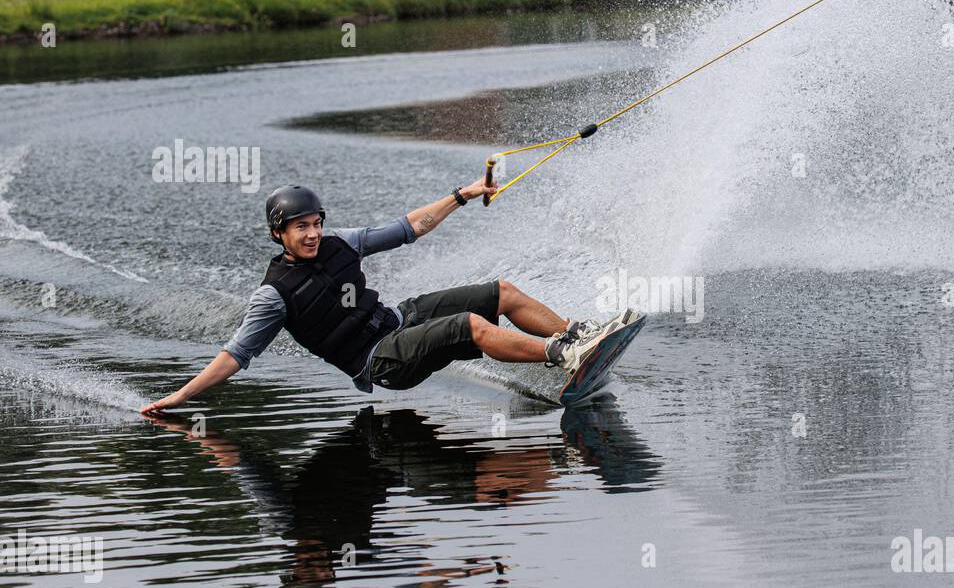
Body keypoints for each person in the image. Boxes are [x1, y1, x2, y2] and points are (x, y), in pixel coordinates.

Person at [140, 180, 624, 415]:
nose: (312, 235)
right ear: (277, 234)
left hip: (397, 321)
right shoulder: (273, 297)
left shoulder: (340, 242)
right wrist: (179, 397)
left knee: (500, 293)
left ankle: (575, 333)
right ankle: (563, 355)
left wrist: (462, 195)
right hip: (380, 362)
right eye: (300, 228)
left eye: (315, 224)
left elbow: (410, 227)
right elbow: (234, 356)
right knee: (469, 327)